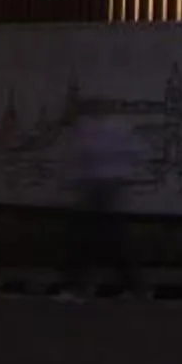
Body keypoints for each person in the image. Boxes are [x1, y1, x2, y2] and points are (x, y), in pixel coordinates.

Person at [64, 101, 140, 295]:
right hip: (108, 186)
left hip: (95, 187)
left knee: (88, 235)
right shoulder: (120, 129)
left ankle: (80, 280)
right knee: (110, 235)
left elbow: (80, 155)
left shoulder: (86, 129)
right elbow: (136, 152)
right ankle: (130, 282)